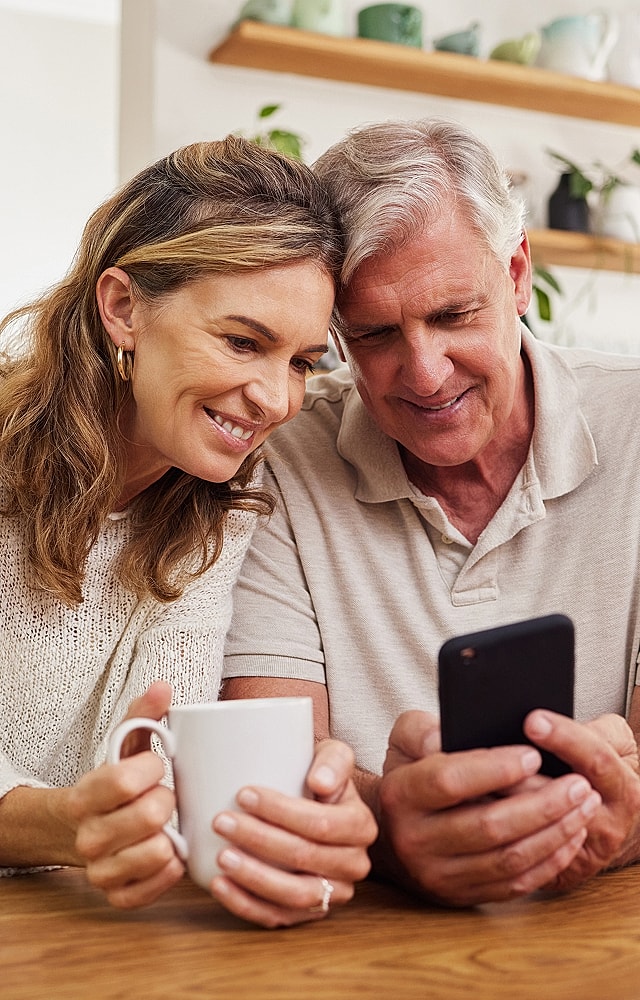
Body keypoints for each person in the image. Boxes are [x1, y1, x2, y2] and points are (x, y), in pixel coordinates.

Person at [222, 118, 640, 907]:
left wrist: (618, 817)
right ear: (335, 331)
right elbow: (277, 763)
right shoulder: (278, 459)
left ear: (517, 275)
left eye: (453, 315)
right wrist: (388, 829)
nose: (424, 373)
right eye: (375, 333)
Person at [0, 135, 377, 928]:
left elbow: (160, 744)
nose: (275, 398)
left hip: (71, 933)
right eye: (243, 342)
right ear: (123, 307)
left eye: (304, 361)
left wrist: (307, 815)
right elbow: (85, 813)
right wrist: (58, 819)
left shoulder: (218, 501)